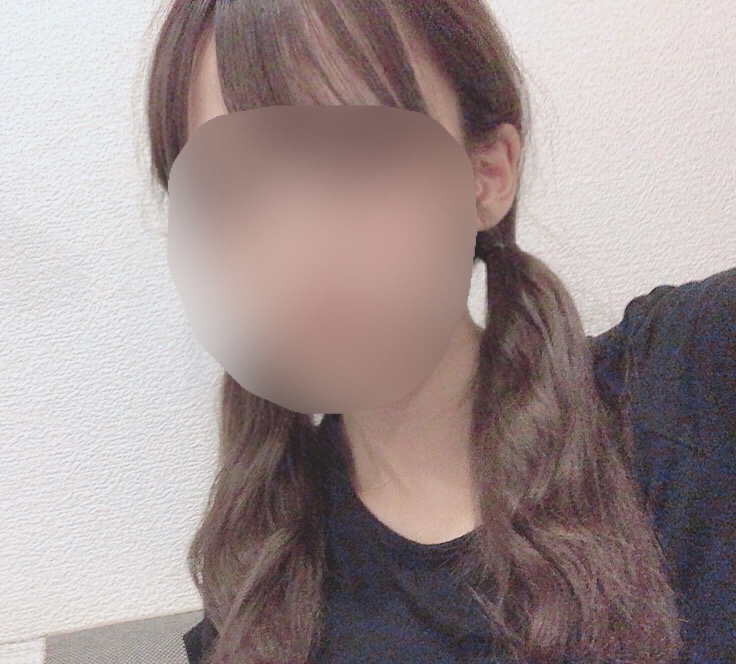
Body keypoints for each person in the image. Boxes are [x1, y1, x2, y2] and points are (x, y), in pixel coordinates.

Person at [142, 1, 736, 662]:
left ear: (487, 174)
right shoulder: (255, 612)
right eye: (232, 191)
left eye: (356, 157)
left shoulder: (691, 384)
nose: (297, 247)